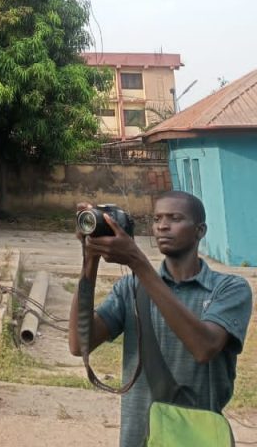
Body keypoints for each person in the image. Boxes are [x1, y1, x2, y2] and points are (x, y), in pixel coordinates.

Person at [68, 191, 252, 447]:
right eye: (157, 219)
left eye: (175, 218)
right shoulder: (130, 288)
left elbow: (204, 347)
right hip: (139, 439)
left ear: (200, 231)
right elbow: (80, 344)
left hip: (196, 439)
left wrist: (138, 263)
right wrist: (90, 257)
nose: (163, 226)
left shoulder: (228, 289)